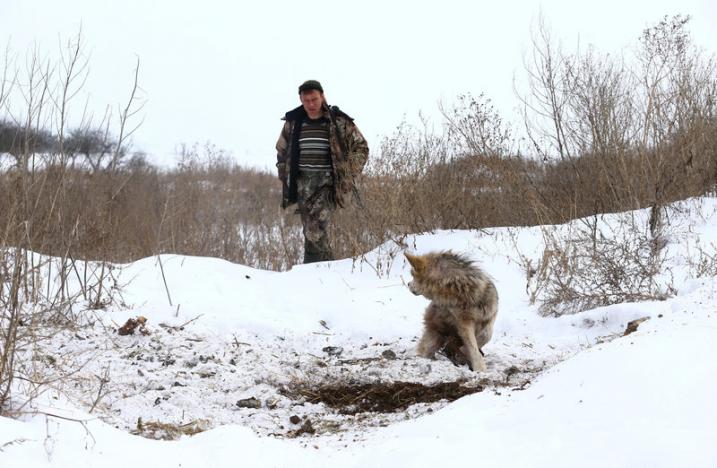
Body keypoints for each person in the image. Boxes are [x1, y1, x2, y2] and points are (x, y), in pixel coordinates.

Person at [275, 80, 369, 263]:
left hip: (327, 185)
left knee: (314, 230)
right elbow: (281, 150)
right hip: (301, 184)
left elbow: (361, 148)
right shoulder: (293, 123)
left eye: (314, 99)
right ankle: (322, 274)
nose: (311, 104)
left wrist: (348, 173)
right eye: (307, 100)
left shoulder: (338, 121)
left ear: (322, 96)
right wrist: (283, 173)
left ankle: (315, 273)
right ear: (301, 100)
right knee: (311, 231)